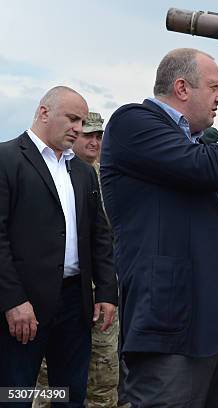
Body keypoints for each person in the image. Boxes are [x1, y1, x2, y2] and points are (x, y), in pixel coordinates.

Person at [100, 48, 218, 407]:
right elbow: (206, 168)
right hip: (169, 332)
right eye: (214, 86)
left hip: (217, 332)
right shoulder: (133, 123)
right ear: (182, 88)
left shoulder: (199, 147)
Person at [0, 86, 117, 406]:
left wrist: (106, 291)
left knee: (69, 395)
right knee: (15, 394)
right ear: (43, 112)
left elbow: (99, 235)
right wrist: (13, 301)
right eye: (73, 119)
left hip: (74, 306)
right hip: (23, 307)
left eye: (82, 121)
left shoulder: (81, 172)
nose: (79, 129)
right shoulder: (7, 159)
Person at [34, 111, 123, 408]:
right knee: (47, 381)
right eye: (89, 135)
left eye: (100, 136)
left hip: (100, 296)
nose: (95, 142)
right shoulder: (46, 174)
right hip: (56, 295)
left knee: (101, 377)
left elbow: (108, 238)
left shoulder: (108, 177)